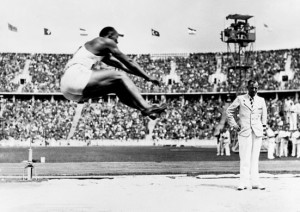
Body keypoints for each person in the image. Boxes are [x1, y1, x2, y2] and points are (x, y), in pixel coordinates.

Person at [60, 26, 167, 120]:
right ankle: (147, 107)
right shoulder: (104, 41)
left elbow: (123, 66)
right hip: (75, 76)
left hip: (68, 91)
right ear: (110, 35)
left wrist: (144, 76)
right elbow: (129, 61)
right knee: (119, 75)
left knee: (117, 87)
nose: (117, 42)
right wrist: (148, 77)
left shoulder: (99, 51)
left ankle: (145, 109)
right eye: (117, 38)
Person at [226, 80, 267, 190]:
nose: (254, 90)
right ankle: (243, 182)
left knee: (255, 158)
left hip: (257, 132)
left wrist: (263, 127)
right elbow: (229, 111)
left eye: (256, 88)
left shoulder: (261, 100)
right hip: (244, 132)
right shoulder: (241, 98)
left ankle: (255, 182)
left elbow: (264, 115)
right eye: (252, 88)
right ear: (247, 88)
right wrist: (234, 125)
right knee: (245, 158)